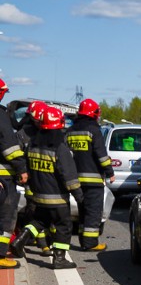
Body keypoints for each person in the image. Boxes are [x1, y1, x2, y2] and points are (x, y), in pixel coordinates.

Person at [10, 107, 83, 270]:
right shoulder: (60, 148)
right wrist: (79, 196)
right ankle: (59, 258)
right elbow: (69, 176)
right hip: (57, 197)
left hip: (38, 195)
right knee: (64, 226)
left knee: (39, 221)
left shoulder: (32, 145)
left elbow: (27, 169)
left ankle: (20, 240)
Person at [66, 98, 114, 251]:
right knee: (93, 212)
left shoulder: (70, 131)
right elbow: (101, 155)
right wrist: (110, 172)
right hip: (93, 180)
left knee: (82, 211)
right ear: (94, 114)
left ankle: (83, 240)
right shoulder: (94, 130)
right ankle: (91, 243)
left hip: (75, 179)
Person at [15, 101, 51, 255]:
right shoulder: (23, 134)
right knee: (35, 211)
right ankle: (42, 244)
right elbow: (17, 157)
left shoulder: (46, 131)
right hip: (31, 181)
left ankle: (43, 242)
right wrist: (23, 172)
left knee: (44, 212)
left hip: (45, 180)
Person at [0, 78, 29, 269]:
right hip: (3, 176)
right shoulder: (1, 116)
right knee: (5, 216)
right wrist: (21, 168)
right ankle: (1, 255)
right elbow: (8, 145)